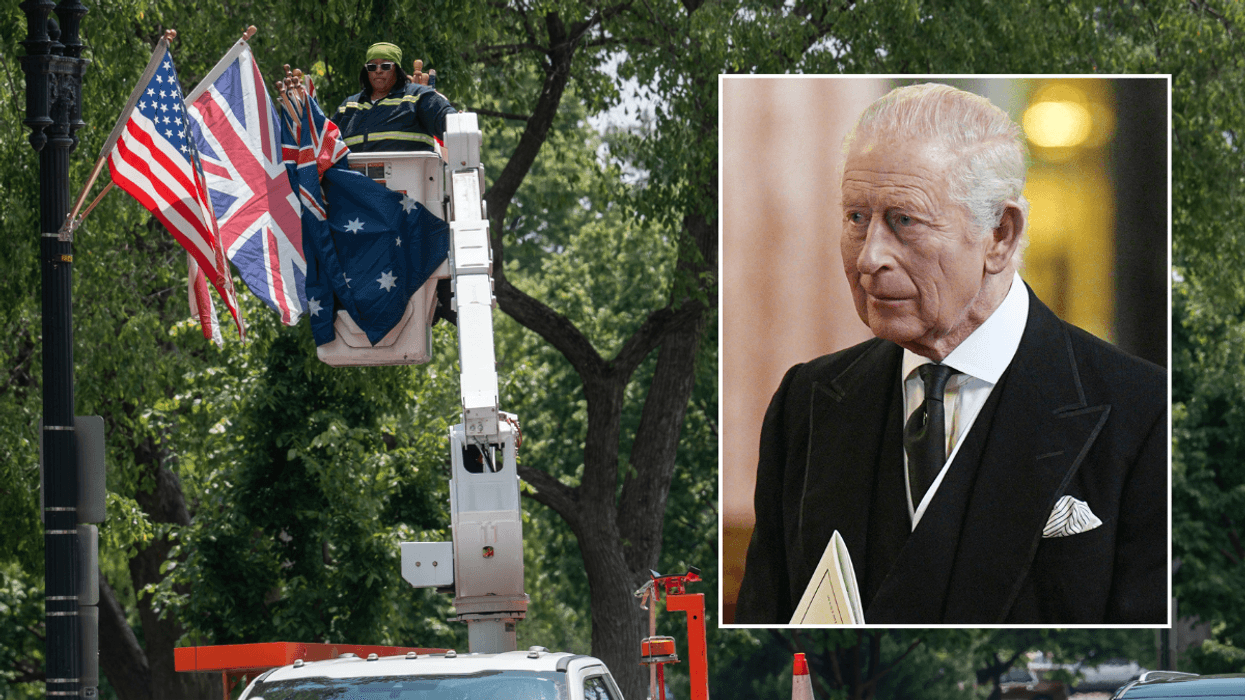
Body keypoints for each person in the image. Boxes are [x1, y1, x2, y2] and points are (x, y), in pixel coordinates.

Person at [734, 83, 1166, 624]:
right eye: (855, 219)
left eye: (904, 221)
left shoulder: (1145, 413)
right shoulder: (806, 403)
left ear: (1000, 236)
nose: (869, 258)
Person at [332, 42, 456, 154]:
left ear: (396, 69)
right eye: (372, 67)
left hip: (409, 177)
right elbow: (325, 142)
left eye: (385, 66)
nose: (378, 71)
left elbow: (450, 122)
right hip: (354, 178)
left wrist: (462, 123)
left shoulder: (417, 97)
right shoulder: (349, 106)